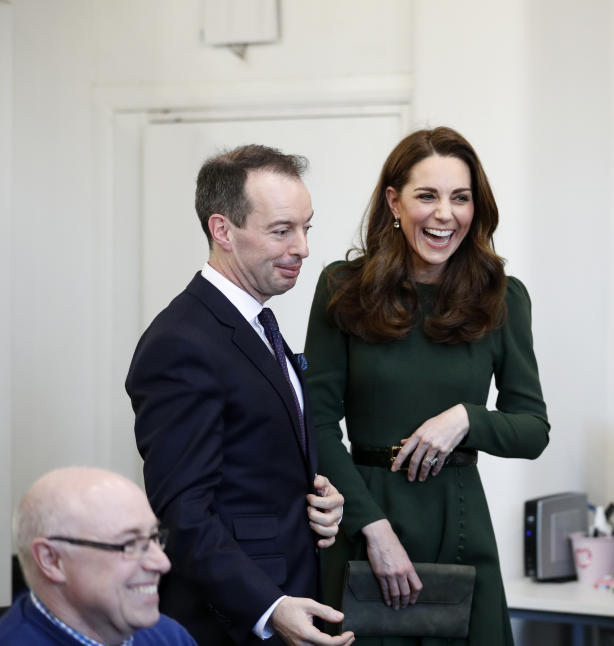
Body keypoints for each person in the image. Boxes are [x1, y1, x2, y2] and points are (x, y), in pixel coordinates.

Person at [304, 126, 549, 645]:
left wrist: (464, 419)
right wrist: (373, 528)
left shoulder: (503, 297)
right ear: (394, 201)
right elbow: (318, 424)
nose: (445, 214)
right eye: (427, 196)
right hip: (363, 519)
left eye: (460, 198)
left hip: (459, 521)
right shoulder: (341, 289)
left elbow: (532, 430)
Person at [126, 145, 353, 646]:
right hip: (231, 623)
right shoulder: (180, 341)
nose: (303, 248)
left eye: (305, 228)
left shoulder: (260, 325)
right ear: (222, 230)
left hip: (291, 599)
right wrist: (268, 608)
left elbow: (258, 466)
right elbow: (183, 513)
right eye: (281, 230)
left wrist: (319, 499)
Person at [0, 466, 197, 645]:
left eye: (154, 537)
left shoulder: (168, 636)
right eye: (129, 544)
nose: (162, 563)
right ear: (51, 560)